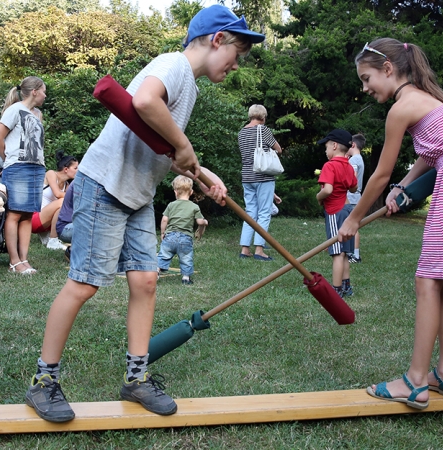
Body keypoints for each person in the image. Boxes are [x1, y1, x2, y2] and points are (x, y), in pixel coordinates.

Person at [24, 5, 263, 423]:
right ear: (217, 39)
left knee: (146, 280)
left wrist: (205, 174)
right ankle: (43, 382)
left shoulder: (190, 86)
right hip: (105, 184)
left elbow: (167, 149)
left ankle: (136, 377)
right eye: (237, 54)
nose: (236, 65)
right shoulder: (173, 65)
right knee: (84, 284)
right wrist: (184, 145)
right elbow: (146, 102)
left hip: (136, 193)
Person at [338, 38, 443, 409]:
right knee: (437, 278)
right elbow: (432, 154)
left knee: (426, 279)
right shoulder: (431, 101)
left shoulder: (401, 109)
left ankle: (415, 381)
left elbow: (378, 176)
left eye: (367, 79)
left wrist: (354, 218)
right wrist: (403, 188)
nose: (365, 89)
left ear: (388, 69)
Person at [0, 76, 47, 275]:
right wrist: (7, 159)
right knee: (14, 213)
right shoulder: (14, 110)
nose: (45, 95)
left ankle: (24, 260)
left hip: (36, 168)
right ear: (34, 91)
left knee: (27, 214)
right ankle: (14, 262)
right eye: (43, 90)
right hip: (18, 167)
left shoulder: (37, 114)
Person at [316, 129, 358, 298]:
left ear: (334, 146)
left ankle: (336, 290)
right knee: (345, 252)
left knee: (336, 253)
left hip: (335, 211)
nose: (325, 151)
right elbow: (354, 187)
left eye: (326, 147)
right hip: (348, 210)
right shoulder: (348, 166)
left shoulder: (330, 165)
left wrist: (319, 197)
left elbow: (328, 189)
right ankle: (347, 286)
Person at [238, 104, 283, 261]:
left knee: (250, 212)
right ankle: (259, 249)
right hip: (263, 176)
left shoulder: (241, 132)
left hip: (247, 177)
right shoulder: (263, 130)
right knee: (264, 212)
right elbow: (278, 149)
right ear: (263, 117)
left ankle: (245, 248)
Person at [157, 175, 208, 285]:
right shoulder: (194, 207)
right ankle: (186, 278)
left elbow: (164, 220)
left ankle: (156, 272)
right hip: (185, 238)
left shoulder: (171, 205)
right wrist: (205, 222)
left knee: (163, 255)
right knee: (186, 258)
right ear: (191, 192)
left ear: (175, 192)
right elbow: (200, 222)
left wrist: (162, 232)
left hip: (169, 237)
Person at [33, 151, 78, 250]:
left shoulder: (67, 185)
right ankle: (53, 240)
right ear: (66, 169)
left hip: (47, 222)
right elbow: (57, 194)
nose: (78, 171)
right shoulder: (51, 174)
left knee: (67, 205)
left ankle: (50, 236)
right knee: (63, 201)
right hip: (34, 218)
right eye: (75, 168)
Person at [346, 133, 366, 264]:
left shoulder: (354, 160)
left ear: (352, 145)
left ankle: (355, 255)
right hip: (356, 196)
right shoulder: (359, 159)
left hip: (351, 197)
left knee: (353, 226)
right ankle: (348, 251)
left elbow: (352, 178)